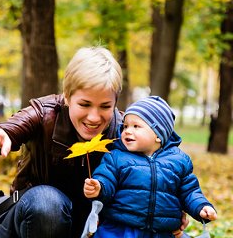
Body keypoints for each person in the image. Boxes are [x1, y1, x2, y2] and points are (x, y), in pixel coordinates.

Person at [0, 47, 188, 238]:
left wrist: (171, 209)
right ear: (67, 96)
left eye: (105, 106)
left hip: (95, 228)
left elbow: (158, 170)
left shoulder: (126, 132)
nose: (94, 117)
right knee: (47, 203)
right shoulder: (45, 114)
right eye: (84, 104)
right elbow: (10, 128)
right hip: (37, 221)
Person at [84, 96, 217, 238]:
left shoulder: (179, 161)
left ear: (158, 135)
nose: (127, 131)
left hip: (162, 232)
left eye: (136, 126)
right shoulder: (116, 157)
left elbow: (190, 191)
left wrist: (202, 207)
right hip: (122, 229)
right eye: (125, 126)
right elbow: (106, 177)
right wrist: (99, 187)